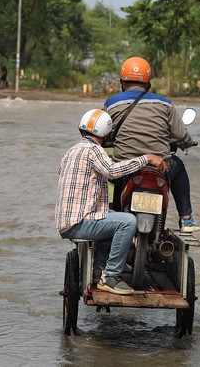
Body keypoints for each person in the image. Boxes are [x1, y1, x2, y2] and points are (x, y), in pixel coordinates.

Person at [56, 108, 165, 295]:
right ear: (106, 133)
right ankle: (111, 276)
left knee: (112, 216)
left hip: (70, 221)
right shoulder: (94, 150)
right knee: (128, 222)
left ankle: (99, 267)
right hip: (79, 222)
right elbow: (112, 171)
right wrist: (146, 158)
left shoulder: (72, 150)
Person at [104, 56, 200, 233]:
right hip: (161, 166)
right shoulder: (165, 103)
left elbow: (103, 131)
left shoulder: (111, 104)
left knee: (105, 171)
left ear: (122, 82)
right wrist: (187, 142)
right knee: (178, 166)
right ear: (148, 82)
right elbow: (180, 134)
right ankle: (186, 219)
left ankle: (103, 213)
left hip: (125, 167)